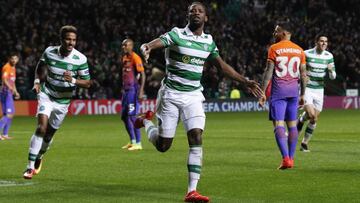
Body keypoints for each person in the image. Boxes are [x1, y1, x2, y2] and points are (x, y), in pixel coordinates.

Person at [136, 2, 263, 202]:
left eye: (200, 11)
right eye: (192, 11)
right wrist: (147, 47)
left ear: (206, 18)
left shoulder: (208, 42)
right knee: (163, 146)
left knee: (196, 136)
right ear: (188, 16)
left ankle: (191, 191)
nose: (195, 13)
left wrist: (244, 81)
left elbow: (222, 66)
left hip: (194, 96)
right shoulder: (177, 34)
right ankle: (145, 121)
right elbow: (157, 42)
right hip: (170, 95)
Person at [23, 25, 91, 179]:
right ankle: (29, 167)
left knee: (48, 135)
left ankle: (39, 155)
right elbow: (41, 65)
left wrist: (73, 79)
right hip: (47, 94)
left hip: (63, 102)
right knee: (41, 128)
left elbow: (87, 83)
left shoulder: (80, 59)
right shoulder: (49, 51)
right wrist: (36, 81)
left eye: (73, 40)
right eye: (68, 39)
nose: (71, 43)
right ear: (61, 39)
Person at [259, 22, 307, 170]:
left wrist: (262, 92)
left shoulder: (274, 48)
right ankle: (291, 158)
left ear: (285, 33)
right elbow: (303, 75)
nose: (274, 34)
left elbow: (268, 72)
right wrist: (303, 94)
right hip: (293, 92)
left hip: (278, 92)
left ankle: (286, 158)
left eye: (276, 31)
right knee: (292, 125)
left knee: (279, 124)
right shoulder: (300, 51)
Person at [297, 35, 336, 152]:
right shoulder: (306, 53)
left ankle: (304, 142)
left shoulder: (329, 56)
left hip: (319, 90)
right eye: (321, 41)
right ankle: (302, 140)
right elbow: (297, 69)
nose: (324, 43)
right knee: (312, 115)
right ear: (316, 42)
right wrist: (302, 77)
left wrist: (330, 70)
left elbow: (333, 77)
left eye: (326, 41)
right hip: (307, 88)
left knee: (314, 119)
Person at [120, 39, 146, 151]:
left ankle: (139, 143)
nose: (123, 47)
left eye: (125, 45)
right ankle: (132, 141)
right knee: (124, 117)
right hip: (126, 91)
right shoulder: (124, 58)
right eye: (122, 45)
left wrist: (141, 91)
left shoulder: (136, 58)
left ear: (131, 46)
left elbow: (143, 74)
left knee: (132, 116)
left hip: (133, 91)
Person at [0, 53, 20, 140]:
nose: (14, 60)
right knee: (9, 114)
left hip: (9, 93)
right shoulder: (7, 67)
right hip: (5, 92)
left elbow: (13, 81)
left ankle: (5, 134)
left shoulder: (13, 68)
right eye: (12, 58)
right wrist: (10, 88)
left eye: (16, 59)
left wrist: (15, 91)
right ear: (9, 59)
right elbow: (4, 79)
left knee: (9, 114)